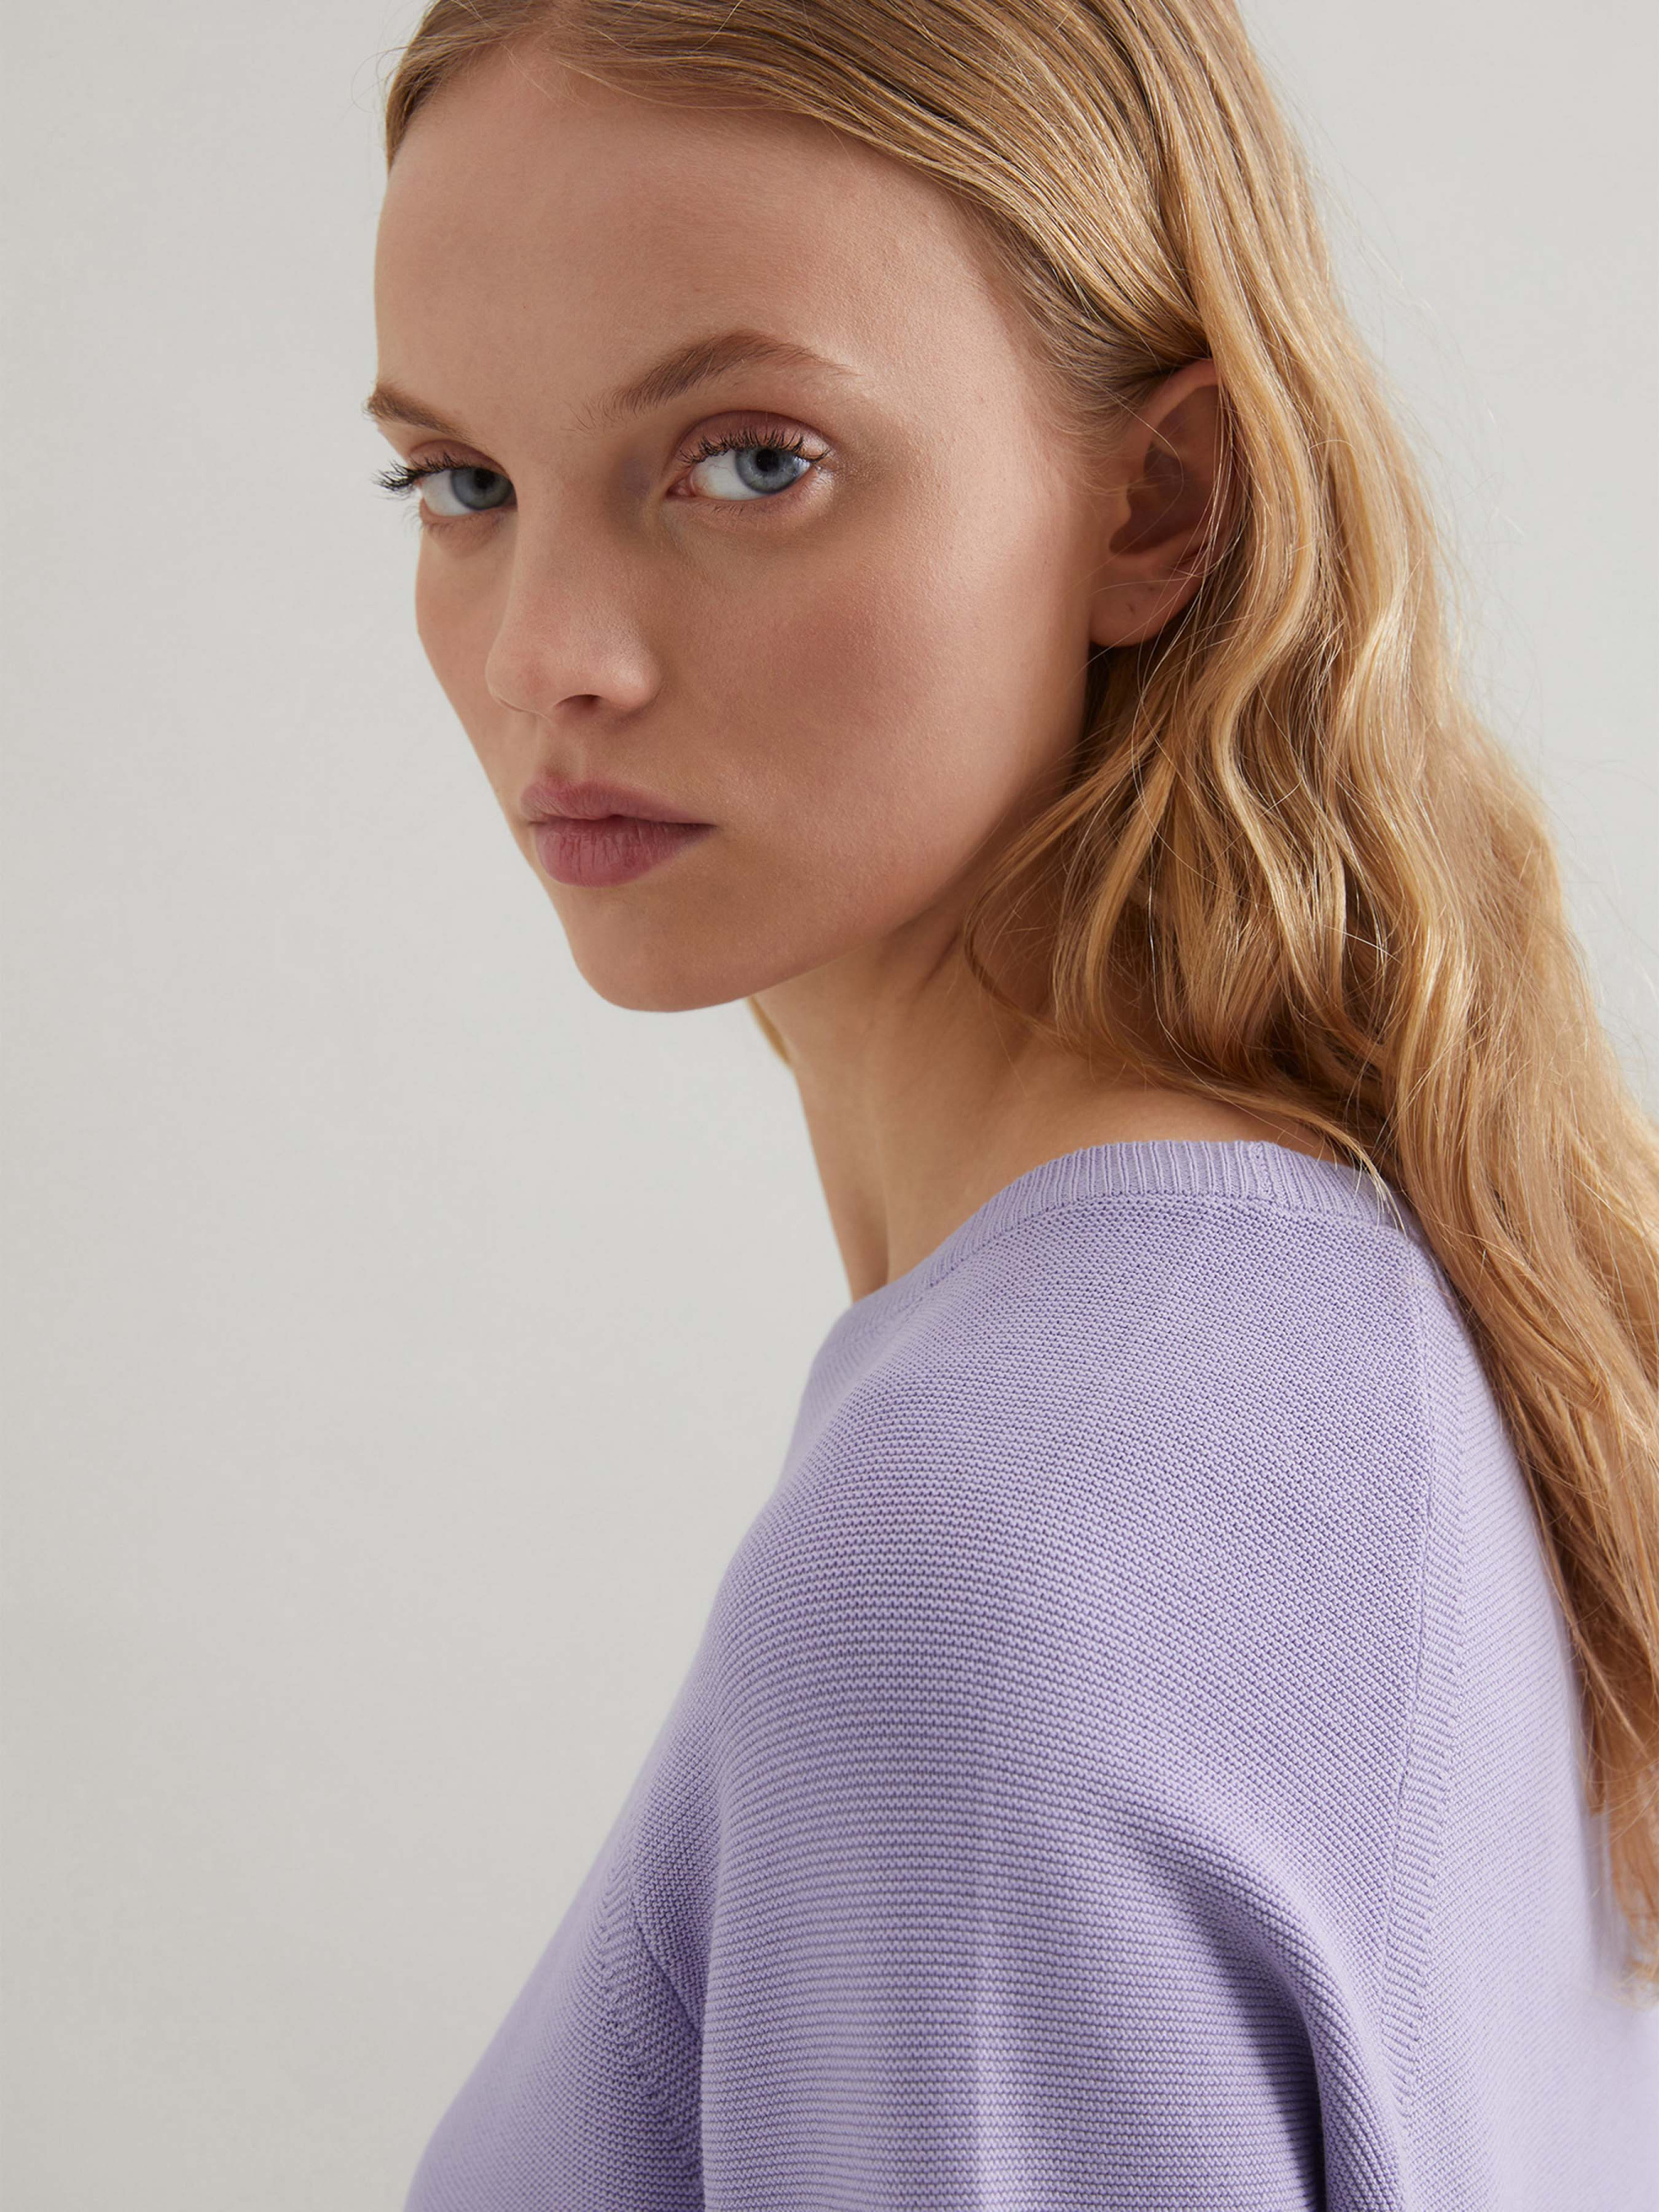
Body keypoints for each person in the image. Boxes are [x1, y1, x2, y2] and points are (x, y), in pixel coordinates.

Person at [365, 3, 1659, 2204]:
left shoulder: (975, 1557)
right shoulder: (1370, 1319)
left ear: (1158, 502)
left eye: (749, 461)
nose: (543, 654)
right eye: (460, 484)